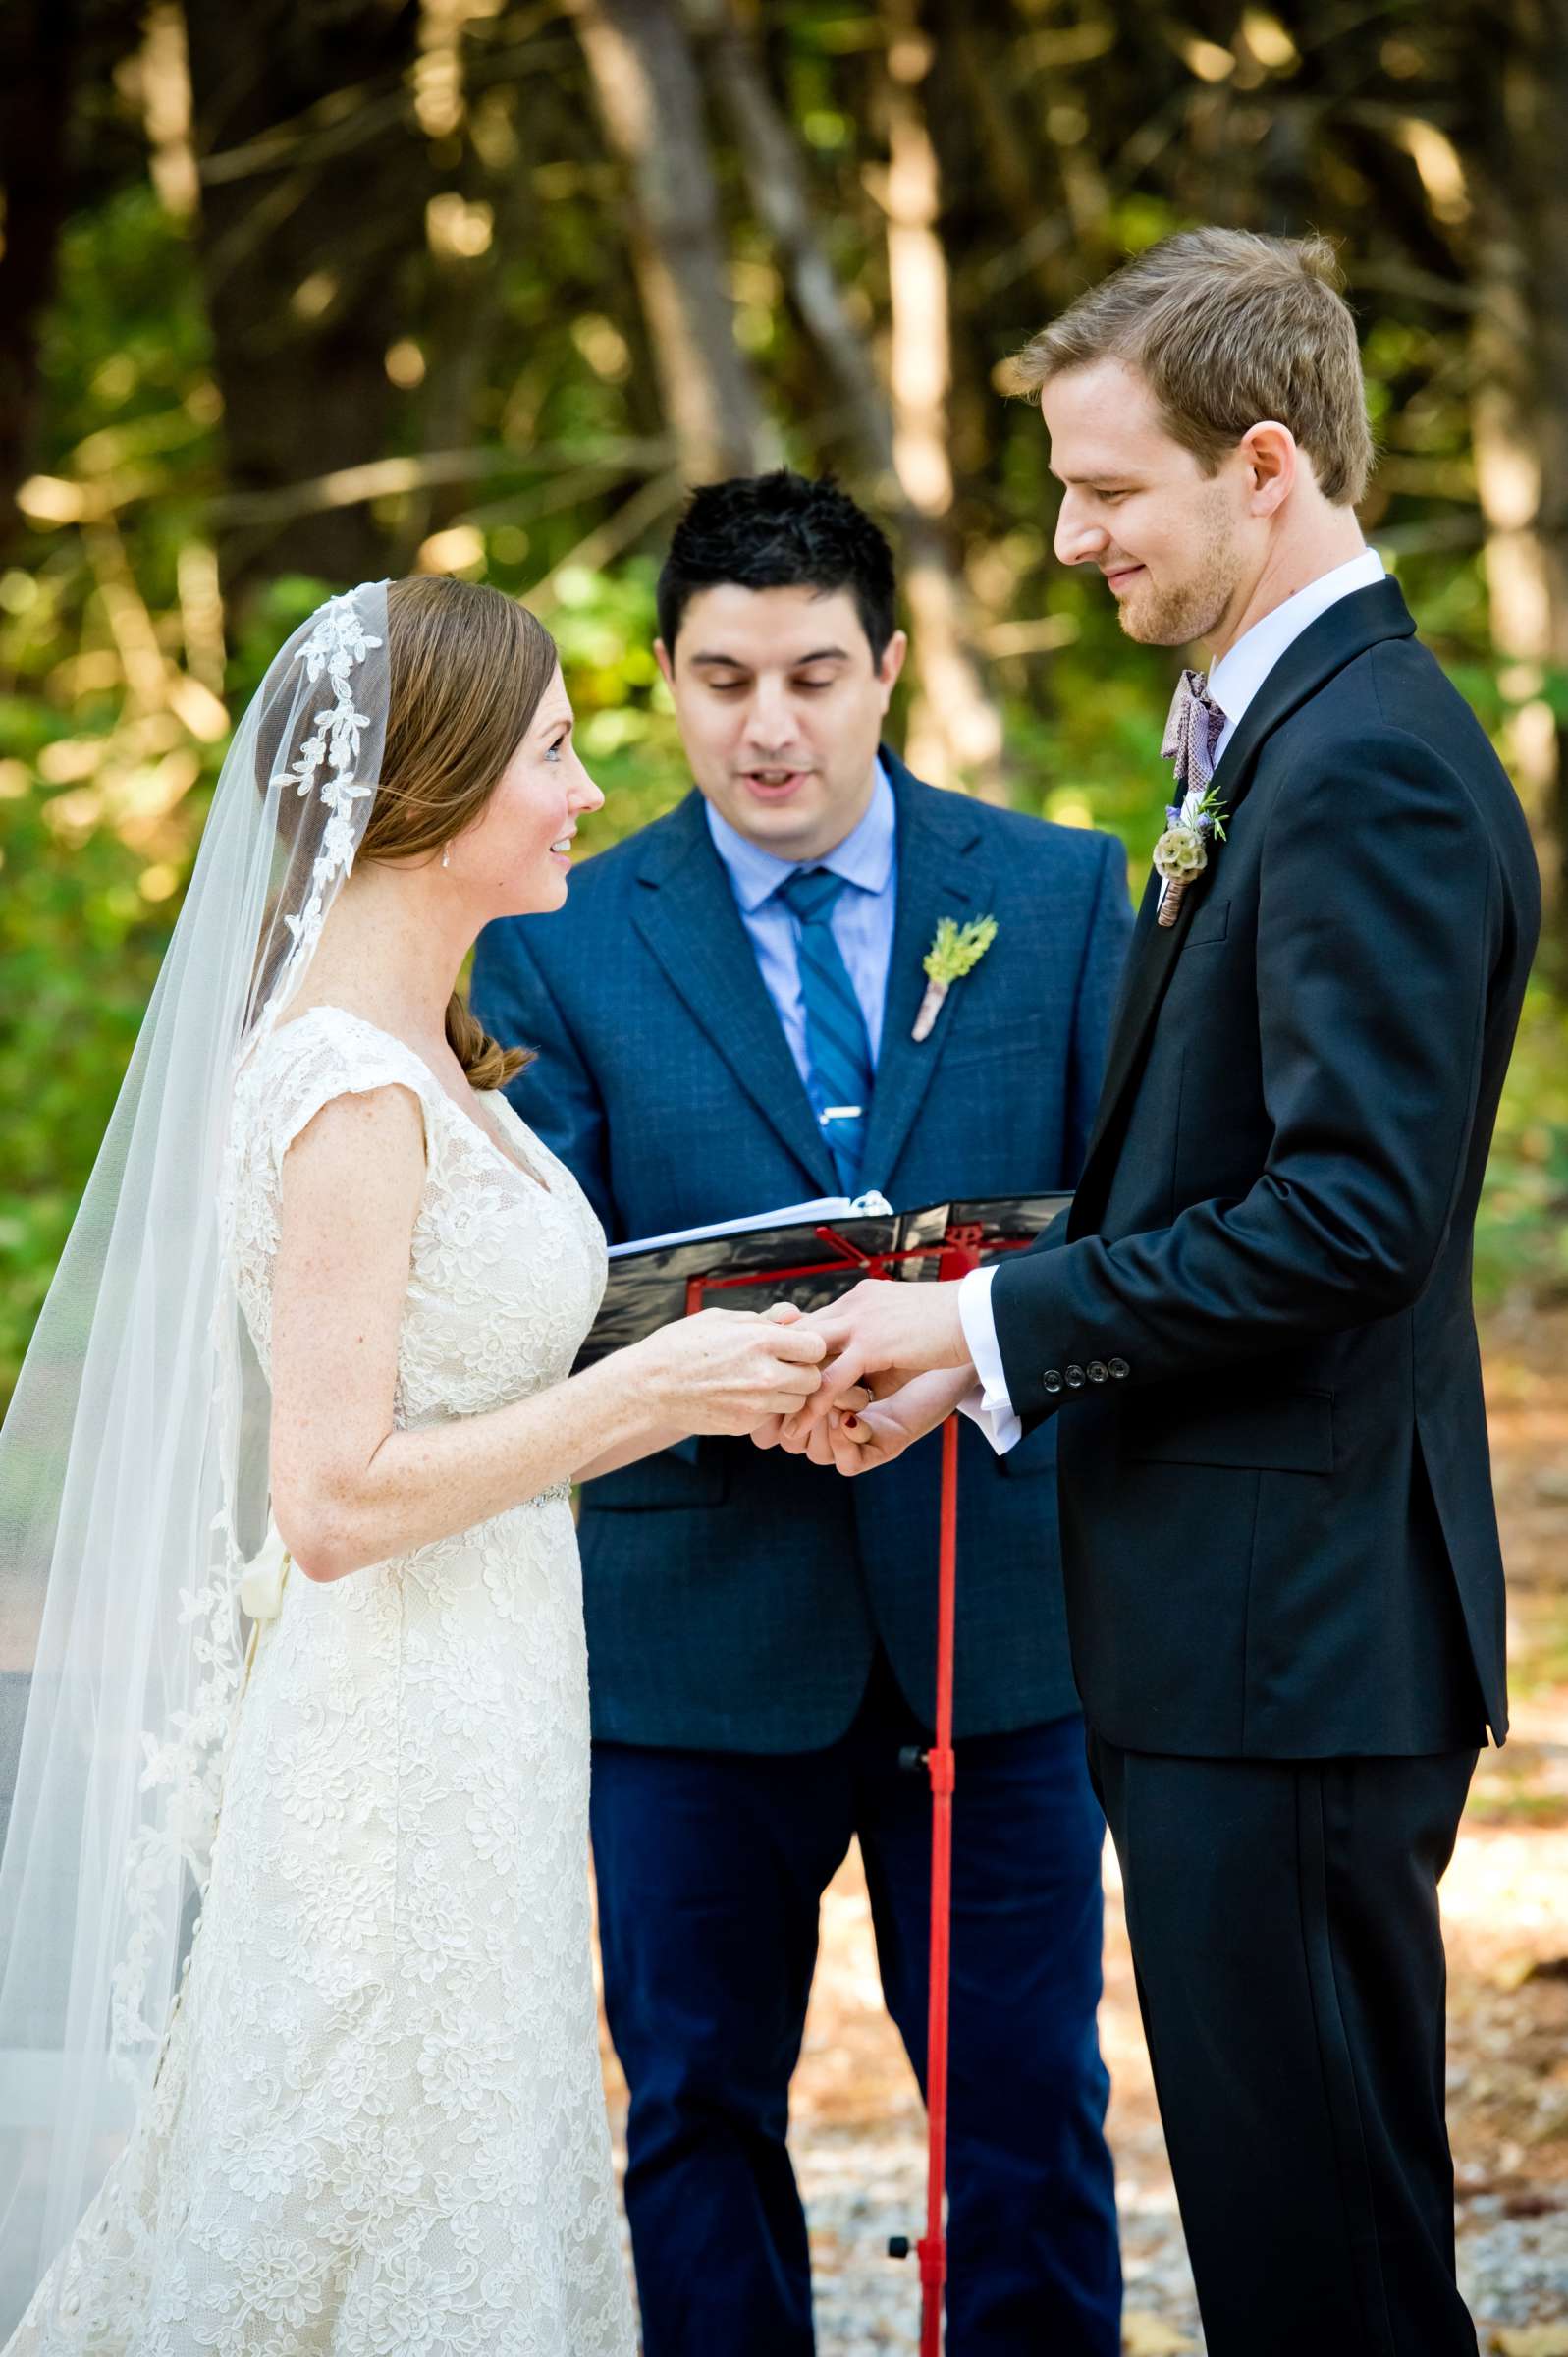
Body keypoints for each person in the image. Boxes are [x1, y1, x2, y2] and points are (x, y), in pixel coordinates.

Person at [784, 231, 1541, 2357]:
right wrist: (966, 1338)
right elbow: (1244, 1180)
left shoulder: (1363, 759)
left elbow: (1351, 1218)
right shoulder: (1283, 729)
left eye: (1107, 490)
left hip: (1287, 1639)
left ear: (1266, 466)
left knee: (1325, 2255)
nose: (1069, 536)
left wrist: (996, 1330)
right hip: (1249, 1623)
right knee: (1300, 2220)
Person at [0, 576, 829, 2349]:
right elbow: (334, 1498)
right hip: (392, 1753)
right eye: (550, 751)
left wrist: (749, 1368)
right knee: (374, 2187)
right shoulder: (344, 1095)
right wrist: (655, 1394)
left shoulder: (434, 1063)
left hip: (492, 1712)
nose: (587, 792)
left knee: (482, 2180)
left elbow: (474, 1368)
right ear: (430, 791)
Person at [470, 470, 1131, 2355]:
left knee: (1024, 2113)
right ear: (665, 681)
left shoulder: (1063, 893)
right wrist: (752, 1379)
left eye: (818, 677)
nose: (771, 726)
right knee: (692, 2115)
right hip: (692, 1639)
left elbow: (1129, 1235)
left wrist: (982, 1353)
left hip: (992, 1627)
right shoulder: (556, 938)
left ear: (891, 670)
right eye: (725, 678)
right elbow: (550, 1294)